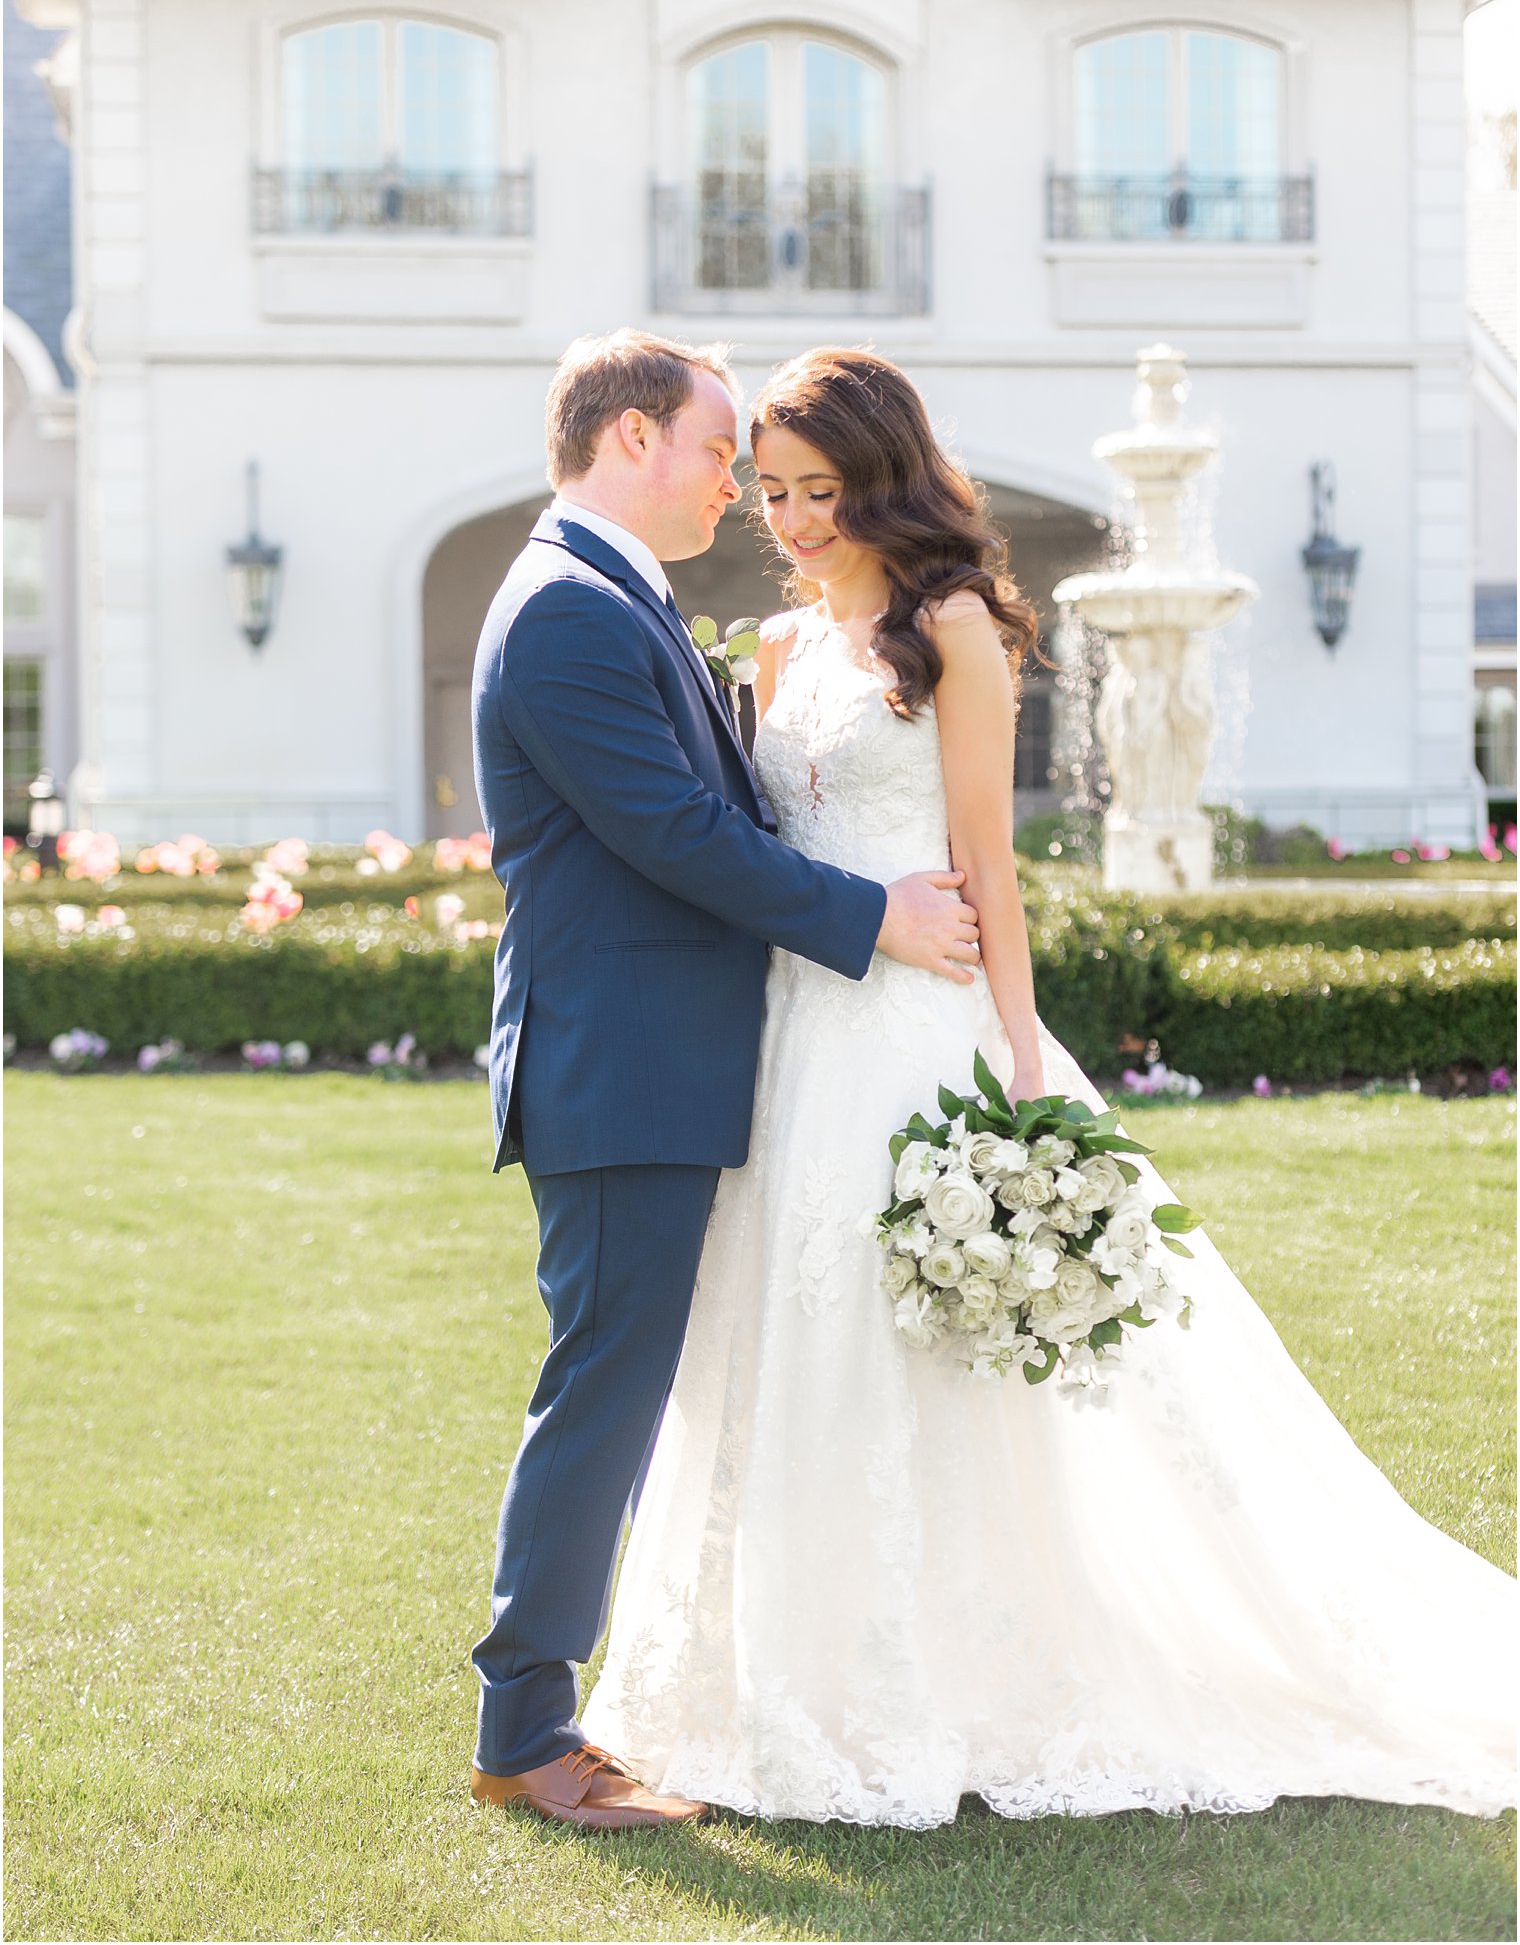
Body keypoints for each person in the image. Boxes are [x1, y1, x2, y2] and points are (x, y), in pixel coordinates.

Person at [583, 346, 1517, 1828]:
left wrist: (1023, 1055)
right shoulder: (774, 648)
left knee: (944, 1357)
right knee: (787, 1347)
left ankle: (979, 1680)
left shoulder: (952, 627)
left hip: (921, 1027)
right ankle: (785, 1678)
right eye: (772, 492)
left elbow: (985, 862)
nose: (798, 518)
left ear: (886, 473)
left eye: (822, 489)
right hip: (788, 1036)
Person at [467, 329, 981, 1829]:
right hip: (619, 1071)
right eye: (713, 454)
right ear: (631, 439)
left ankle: (557, 1717)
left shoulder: (611, 596)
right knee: (605, 1395)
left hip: (658, 1063)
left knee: (629, 1390)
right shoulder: (568, 610)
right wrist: (870, 915)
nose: (733, 488)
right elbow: (673, 838)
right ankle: (526, 1736)